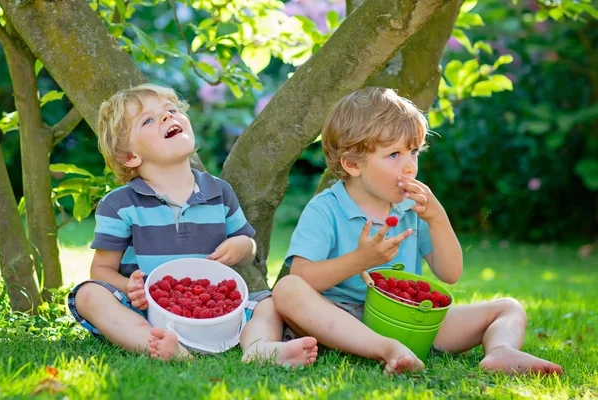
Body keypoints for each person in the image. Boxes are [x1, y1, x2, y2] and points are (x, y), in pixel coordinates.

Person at [272, 87, 563, 376]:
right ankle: (384, 348)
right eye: (394, 154)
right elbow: (302, 277)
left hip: (411, 319)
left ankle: (500, 352)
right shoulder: (325, 209)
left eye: (413, 152)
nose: (410, 166)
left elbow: (450, 273)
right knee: (287, 289)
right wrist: (361, 260)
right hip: (343, 319)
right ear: (351, 164)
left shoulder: (413, 208)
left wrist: (437, 218)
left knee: (508, 308)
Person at [67, 84, 317, 366]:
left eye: (171, 111)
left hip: (216, 313)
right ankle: (155, 342)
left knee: (269, 303)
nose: (166, 117)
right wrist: (129, 288)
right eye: (148, 120)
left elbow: (248, 247)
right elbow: (101, 270)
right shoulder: (120, 204)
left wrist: (242, 246)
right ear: (130, 157)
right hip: (148, 310)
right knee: (89, 294)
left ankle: (260, 348)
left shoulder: (219, 192)